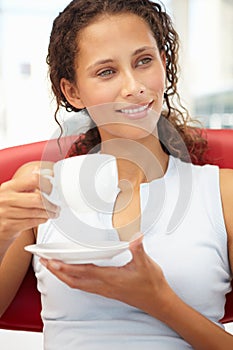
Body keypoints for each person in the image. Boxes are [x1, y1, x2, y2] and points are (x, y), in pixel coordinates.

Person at [0, 0, 233, 349]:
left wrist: (159, 301)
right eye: (107, 72)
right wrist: (1, 233)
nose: (134, 86)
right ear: (73, 92)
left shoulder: (223, 193)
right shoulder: (41, 185)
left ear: (164, 65)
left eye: (143, 61)